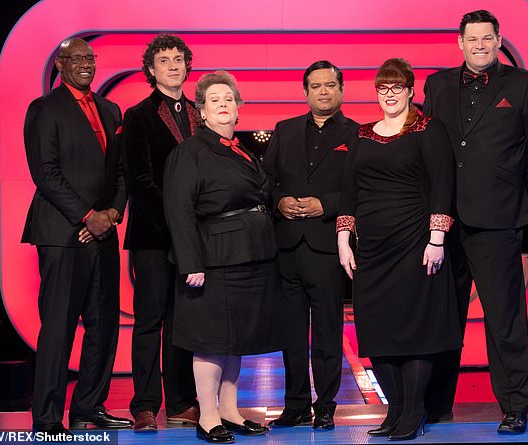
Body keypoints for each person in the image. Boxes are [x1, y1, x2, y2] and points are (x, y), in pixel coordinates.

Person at [422, 9, 528, 434]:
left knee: (504, 316)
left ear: (499, 41)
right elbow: (429, 145)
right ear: (459, 43)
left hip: (498, 220)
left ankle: (515, 406)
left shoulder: (524, 84)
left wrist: (508, 190)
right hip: (443, 221)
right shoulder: (437, 84)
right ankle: (437, 404)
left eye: (487, 38)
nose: (479, 46)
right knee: (444, 316)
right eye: (472, 39)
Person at [336, 58, 461, 441]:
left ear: (410, 91)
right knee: (378, 330)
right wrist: (343, 236)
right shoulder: (362, 134)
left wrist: (436, 239)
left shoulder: (427, 128)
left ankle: (414, 410)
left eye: (397, 87)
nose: (390, 95)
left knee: (416, 329)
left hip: (415, 243)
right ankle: (398, 409)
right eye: (383, 88)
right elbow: (349, 191)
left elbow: (443, 184)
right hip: (373, 249)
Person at [163, 71, 284, 444]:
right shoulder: (190, 151)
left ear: (238, 107)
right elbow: (178, 209)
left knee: (237, 338)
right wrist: (191, 262)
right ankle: (208, 416)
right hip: (214, 259)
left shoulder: (240, 149)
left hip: (250, 255)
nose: (223, 105)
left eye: (228, 99)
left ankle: (229, 411)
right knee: (212, 339)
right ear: (201, 111)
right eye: (214, 100)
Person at [22, 38, 133, 434]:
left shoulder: (110, 108)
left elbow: (120, 173)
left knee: (102, 326)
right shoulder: (44, 108)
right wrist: (87, 217)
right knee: (59, 326)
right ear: (60, 64)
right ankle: (48, 418)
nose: (85, 64)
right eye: (77, 58)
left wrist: (111, 214)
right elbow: (45, 173)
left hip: (102, 233)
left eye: (90, 58)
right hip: (62, 233)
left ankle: (89, 408)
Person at [262, 60, 359, 430]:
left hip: (327, 244)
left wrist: (327, 205)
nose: (323, 91)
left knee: (327, 330)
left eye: (330, 85)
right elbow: (265, 180)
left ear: (341, 90)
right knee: (291, 332)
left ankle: (327, 404)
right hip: (287, 246)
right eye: (315, 86)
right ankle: (296, 403)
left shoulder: (356, 133)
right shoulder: (284, 130)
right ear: (305, 92)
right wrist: (279, 201)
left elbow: (358, 188)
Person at [122, 33, 201, 432]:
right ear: (151, 69)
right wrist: (177, 224)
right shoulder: (137, 115)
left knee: (182, 322)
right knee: (150, 320)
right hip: (154, 237)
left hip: (193, 241)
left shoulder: (200, 113)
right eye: (163, 60)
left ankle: (182, 402)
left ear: (187, 65)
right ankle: (145, 406)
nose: (172, 65)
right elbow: (139, 182)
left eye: (178, 58)